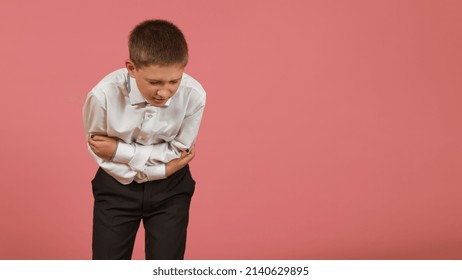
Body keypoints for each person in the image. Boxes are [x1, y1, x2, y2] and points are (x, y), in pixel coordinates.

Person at [82, 19, 206, 260]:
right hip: (116, 185)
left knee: (166, 269)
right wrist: (163, 165)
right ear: (131, 67)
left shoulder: (194, 95)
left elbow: (180, 151)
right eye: (154, 82)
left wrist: (119, 151)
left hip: (172, 188)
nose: (164, 92)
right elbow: (99, 148)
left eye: (174, 81)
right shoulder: (102, 95)